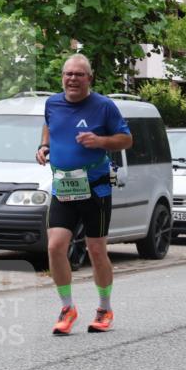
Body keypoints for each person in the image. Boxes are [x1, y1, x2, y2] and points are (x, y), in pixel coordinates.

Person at [35, 53, 132, 335]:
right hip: (63, 186)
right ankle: (67, 308)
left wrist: (100, 140)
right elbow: (49, 125)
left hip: (95, 187)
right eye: (68, 74)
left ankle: (104, 308)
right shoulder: (52, 103)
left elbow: (127, 139)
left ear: (89, 78)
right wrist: (43, 146)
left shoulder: (104, 107)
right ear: (62, 78)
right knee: (55, 247)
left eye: (79, 74)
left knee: (96, 250)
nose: (73, 79)